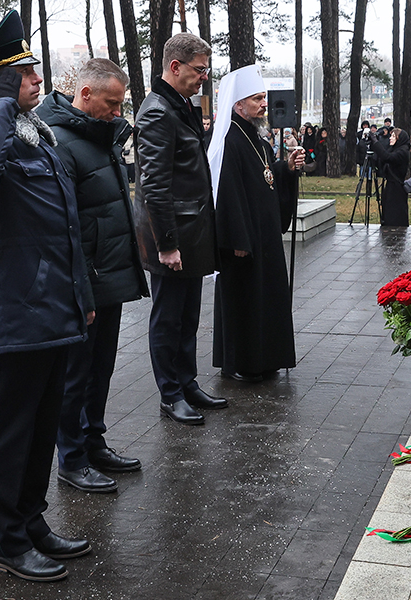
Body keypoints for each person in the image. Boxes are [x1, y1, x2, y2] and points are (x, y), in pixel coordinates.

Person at [0, 10, 94, 583]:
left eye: (32, 70)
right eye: (23, 73)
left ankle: (32, 523)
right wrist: (0, 104)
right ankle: (7, 540)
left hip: (55, 308)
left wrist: (81, 294)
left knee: (40, 426)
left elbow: (65, 228)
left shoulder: (40, 138)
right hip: (13, 311)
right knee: (9, 430)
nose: (37, 79)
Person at [36, 58, 150, 493]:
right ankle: (72, 458)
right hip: (84, 279)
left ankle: (93, 441)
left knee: (99, 369)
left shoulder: (98, 133)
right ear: (85, 95)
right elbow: (63, 227)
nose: (118, 112)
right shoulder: (61, 143)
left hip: (108, 273)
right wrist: (79, 291)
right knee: (75, 376)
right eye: (112, 103)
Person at [133, 33, 227, 426]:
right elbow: (154, 185)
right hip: (171, 236)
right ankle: (170, 394)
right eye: (200, 69)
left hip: (189, 231)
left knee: (188, 315)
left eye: (206, 70)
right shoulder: (157, 111)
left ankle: (186, 381)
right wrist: (166, 245)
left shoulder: (180, 105)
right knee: (168, 317)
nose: (204, 77)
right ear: (175, 67)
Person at [207, 64, 304, 382]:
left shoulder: (257, 138)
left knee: (267, 299)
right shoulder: (228, 141)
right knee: (244, 302)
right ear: (238, 105)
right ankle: (242, 362)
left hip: (264, 240)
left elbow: (264, 176)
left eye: (264, 97)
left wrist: (285, 168)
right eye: (257, 98)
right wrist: (237, 239)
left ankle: (266, 358)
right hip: (243, 242)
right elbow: (227, 192)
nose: (265, 103)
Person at [369, 126, 411, 227]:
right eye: (390, 135)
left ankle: (396, 229)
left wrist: (376, 143)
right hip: (390, 185)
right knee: (388, 210)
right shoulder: (394, 149)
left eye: (393, 136)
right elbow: (383, 158)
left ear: (399, 139)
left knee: (395, 213)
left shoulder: (403, 151)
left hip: (397, 187)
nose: (390, 138)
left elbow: (387, 157)